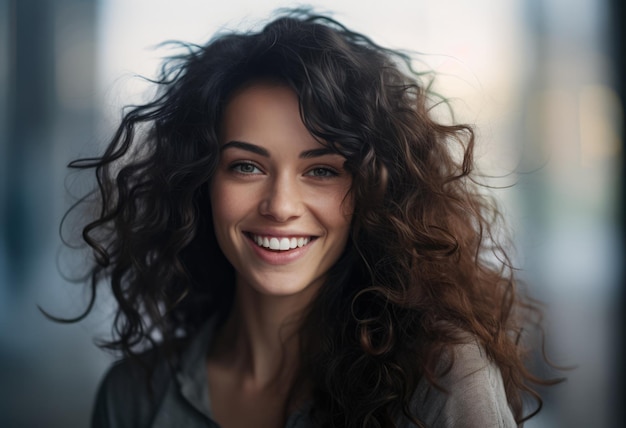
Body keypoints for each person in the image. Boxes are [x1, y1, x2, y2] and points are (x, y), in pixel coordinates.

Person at [65, 9, 559, 428]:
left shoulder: (443, 379)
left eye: (321, 170)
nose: (280, 205)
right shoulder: (132, 397)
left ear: (375, 189)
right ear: (200, 184)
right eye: (246, 166)